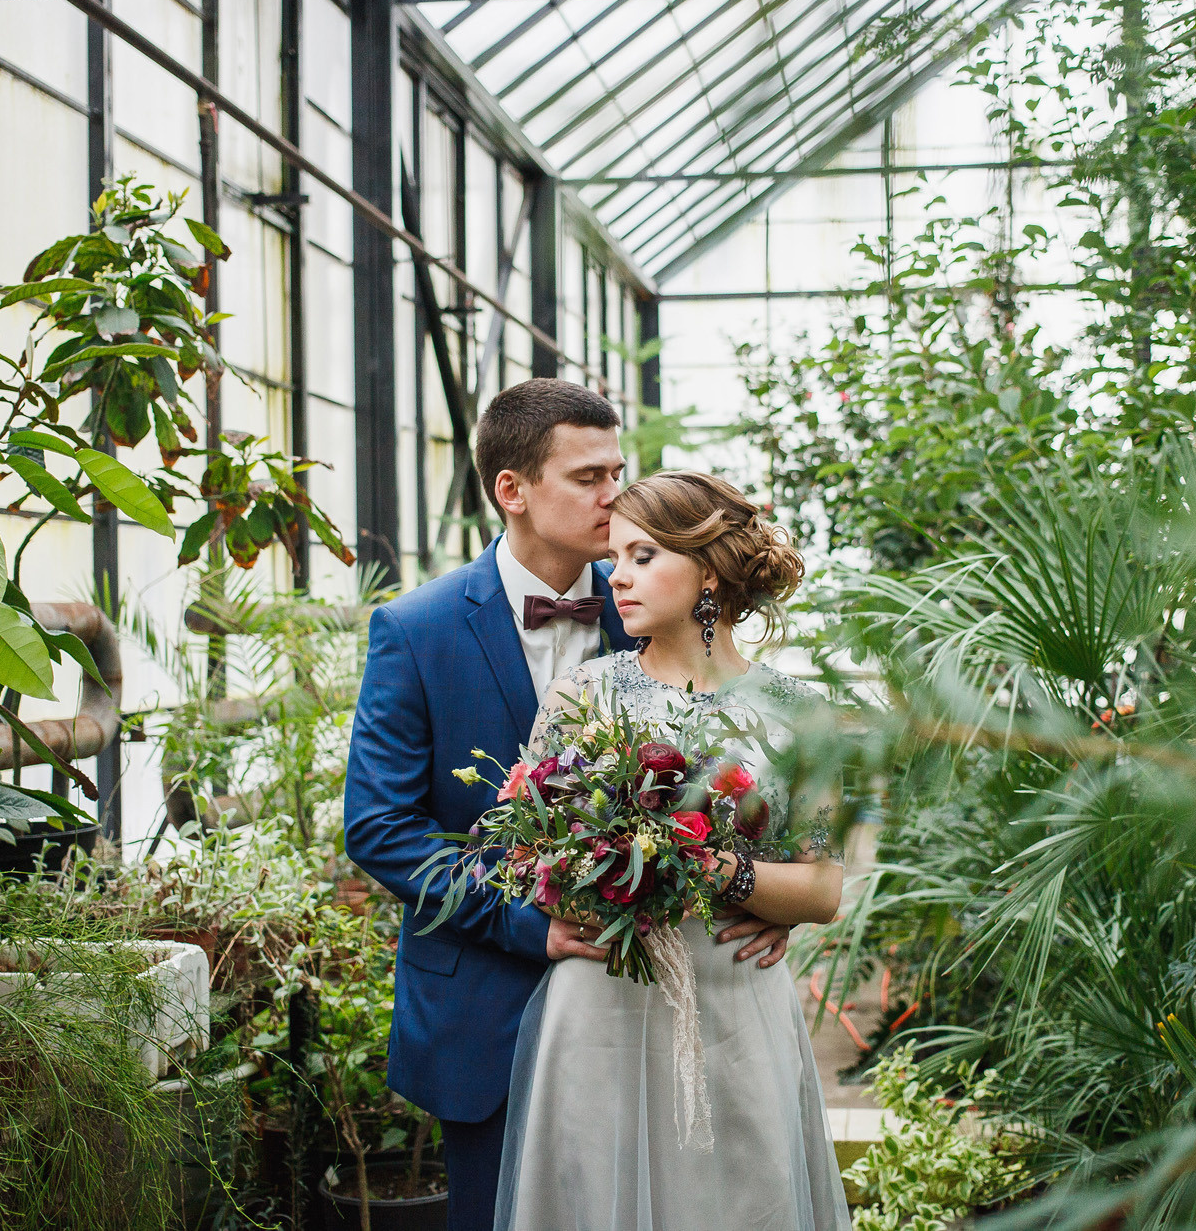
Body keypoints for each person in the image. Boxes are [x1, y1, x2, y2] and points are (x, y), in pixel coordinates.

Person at [343, 382, 795, 1231]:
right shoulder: (416, 628)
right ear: (512, 489)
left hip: (662, 1003)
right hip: (486, 1001)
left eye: (618, 472)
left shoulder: (659, 603)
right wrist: (527, 924)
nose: (614, 497)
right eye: (589, 477)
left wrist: (766, 899)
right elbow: (381, 828)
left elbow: (751, 770)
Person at [493, 469, 851, 1231]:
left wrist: (713, 867)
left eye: (643, 555)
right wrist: (588, 866)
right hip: (602, 1003)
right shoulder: (578, 697)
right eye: (615, 557)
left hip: (734, 1006)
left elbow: (822, 889)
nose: (617, 577)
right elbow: (531, 863)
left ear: (709, 571)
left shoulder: (799, 714)